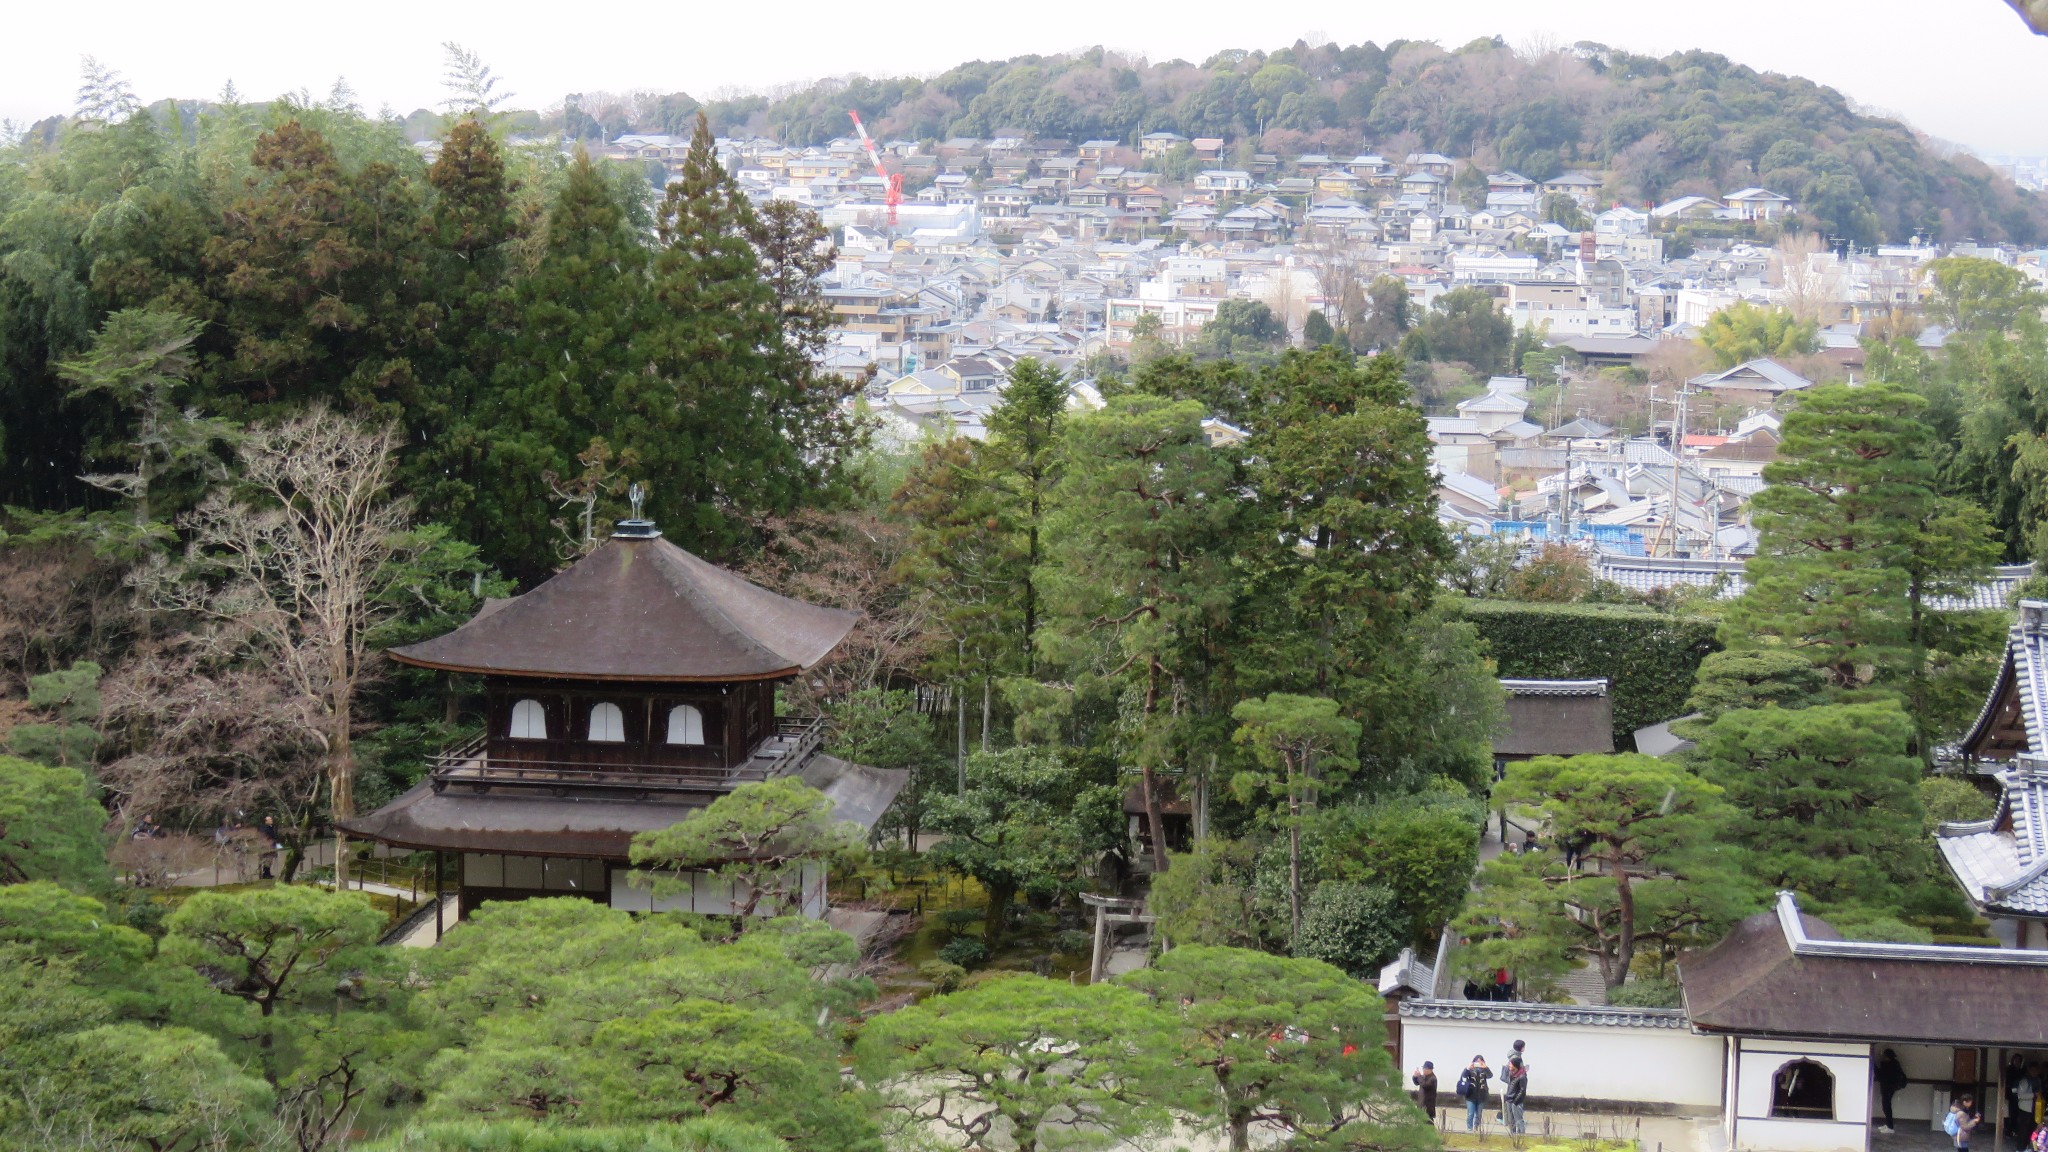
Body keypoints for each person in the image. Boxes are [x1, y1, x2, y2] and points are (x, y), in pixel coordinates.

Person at [1455, 1056, 1492, 1132]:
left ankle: (1476, 1127)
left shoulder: (1484, 1070)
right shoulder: (1470, 1070)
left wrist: (1486, 1067)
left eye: (1480, 1061)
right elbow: (1463, 1076)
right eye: (1477, 1061)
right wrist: (1467, 1068)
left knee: (1478, 1115)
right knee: (1470, 1114)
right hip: (1470, 1095)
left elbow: (1490, 1076)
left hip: (1482, 1095)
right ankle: (1469, 1128)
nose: (1478, 1063)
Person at [1875, 1049, 1908, 1134]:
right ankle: (1888, 1125)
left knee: (1886, 1107)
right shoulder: (1895, 1064)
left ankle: (1890, 1127)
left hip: (1887, 1088)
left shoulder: (1888, 1065)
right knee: (1887, 1106)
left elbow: (1880, 1076)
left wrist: (1874, 1067)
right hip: (1891, 1088)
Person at [1503, 1055, 1528, 1135]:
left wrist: (1515, 1101)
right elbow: (1503, 1078)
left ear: (1515, 1065)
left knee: (1519, 1119)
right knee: (1511, 1120)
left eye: (1510, 1064)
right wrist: (1505, 1068)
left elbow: (1522, 1091)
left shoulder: (1522, 1076)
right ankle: (1513, 1135)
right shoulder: (1512, 1074)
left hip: (1516, 1101)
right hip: (1509, 1100)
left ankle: (1521, 1135)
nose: (1509, 1065)